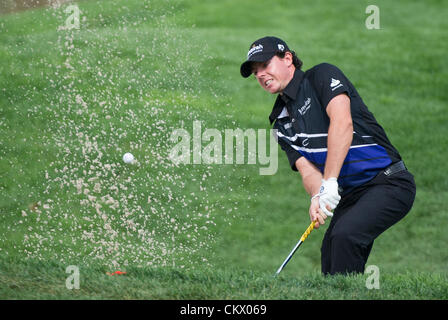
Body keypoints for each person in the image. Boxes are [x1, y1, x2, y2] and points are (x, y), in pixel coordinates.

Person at [240, 36, 416, 275]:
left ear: (288, 58)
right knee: (331, 250)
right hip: (352, 194)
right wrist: (317, 195)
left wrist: (330, 181)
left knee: (346, 237)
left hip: (389, 182)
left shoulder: (321, 76)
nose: (260, 74)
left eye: (265, 65)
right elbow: (307, 169)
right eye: (255, 71)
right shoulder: (280, 122)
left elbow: (342, 123)